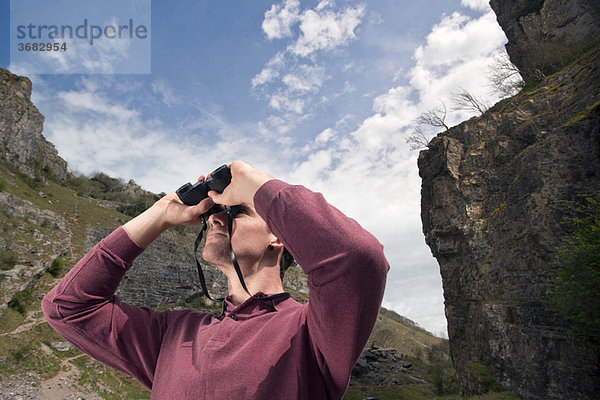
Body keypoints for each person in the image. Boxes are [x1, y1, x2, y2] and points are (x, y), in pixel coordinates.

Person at [42, 160, 390, 399]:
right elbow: (67, 308)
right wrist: (162, 213)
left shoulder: (312, 331)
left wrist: (252, 182)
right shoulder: (172, 336)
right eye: (211, 216)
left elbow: (357, 257)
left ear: (278, 238)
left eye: (236, 211)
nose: (215, 220)